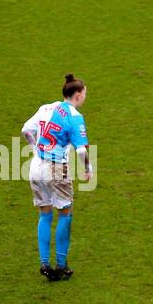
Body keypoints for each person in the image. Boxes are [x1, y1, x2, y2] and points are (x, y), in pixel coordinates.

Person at [21, 74, 92, 281]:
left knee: (44, 214)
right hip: (56, 168)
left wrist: (35, 149)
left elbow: (26, 130)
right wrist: (88, 169)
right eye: (85, 93)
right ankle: (61, 265)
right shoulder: (75, 116)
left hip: (36, 166)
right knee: (65, 213)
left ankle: (44, 262)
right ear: (78, 94)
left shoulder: (46, 108)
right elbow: (80, 151)